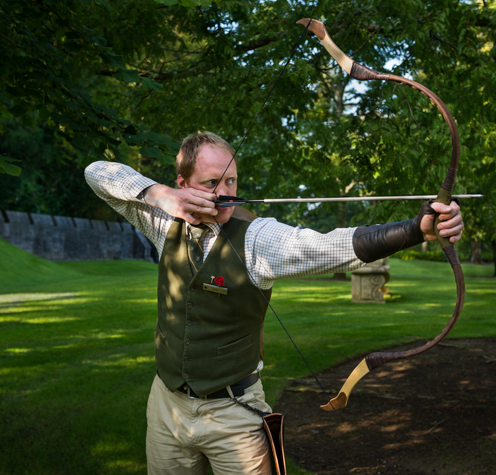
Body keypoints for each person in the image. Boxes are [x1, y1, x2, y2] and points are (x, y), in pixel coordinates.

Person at [85, 131, 464, 475]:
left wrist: (416, 230)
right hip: (166, 407)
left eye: (231, 180)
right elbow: (96, 172)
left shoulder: (256, 238)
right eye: (211, 183)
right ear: (183, 183)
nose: (225, 192)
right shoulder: (162, 220)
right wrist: (160, 194)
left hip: (233, 415)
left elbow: (327, 246)